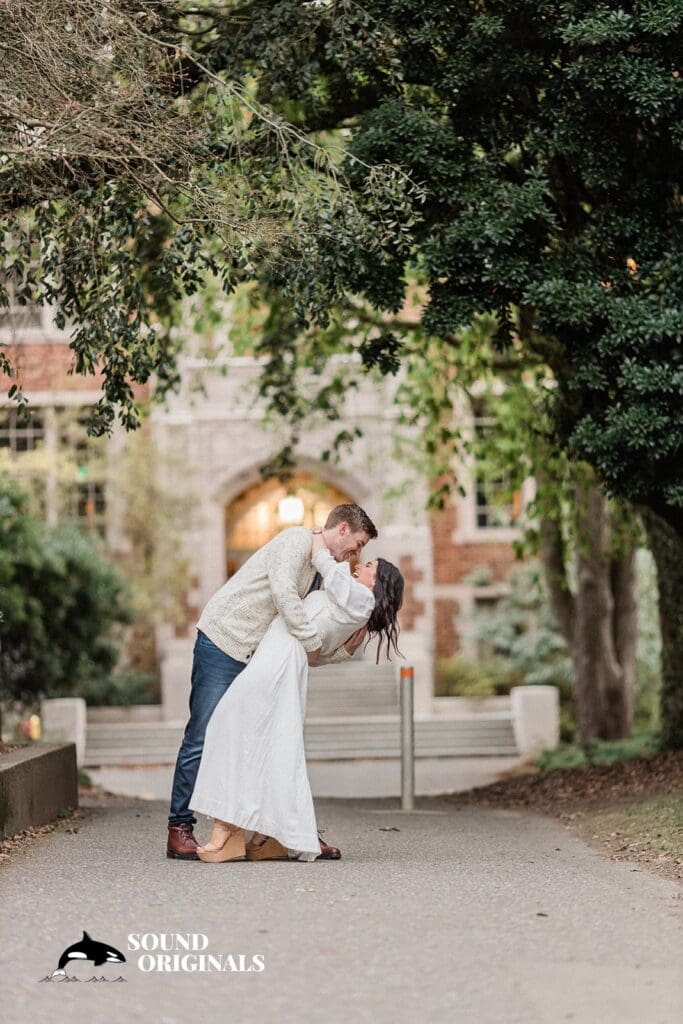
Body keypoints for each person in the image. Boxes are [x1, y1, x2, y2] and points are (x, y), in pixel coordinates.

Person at [166, 503, 378, 861]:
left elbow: (301, 638)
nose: (356, 555)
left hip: (258, 655)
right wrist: (312, 643)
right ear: (342, 530)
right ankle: (179, 828)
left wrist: (340, 651)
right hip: (224, 642)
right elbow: (284, 595)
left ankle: (281, 833)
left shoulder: (320, 568)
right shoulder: (295, 541)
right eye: (357, 545)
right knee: (204, 733)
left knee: (270, 739)